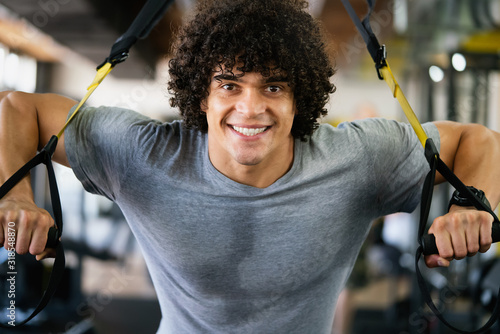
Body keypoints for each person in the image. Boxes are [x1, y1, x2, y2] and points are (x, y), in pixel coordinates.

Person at [1, 0, 499, 333]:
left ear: (300, 97)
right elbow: (19, 109)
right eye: (229, 84)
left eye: (274, 86)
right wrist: (15, 195)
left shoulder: (358, 158)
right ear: (201, 94)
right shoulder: (143, 152)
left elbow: (478, 140)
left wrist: (469, 203)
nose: (251, 107)